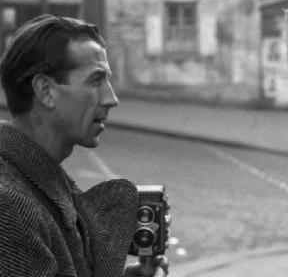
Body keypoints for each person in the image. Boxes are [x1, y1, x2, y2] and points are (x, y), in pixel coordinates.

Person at [0, 15, 167, 277]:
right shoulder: (9, 207)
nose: (111, 99)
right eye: (95, 80)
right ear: (45, 90)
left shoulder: (39, 179)